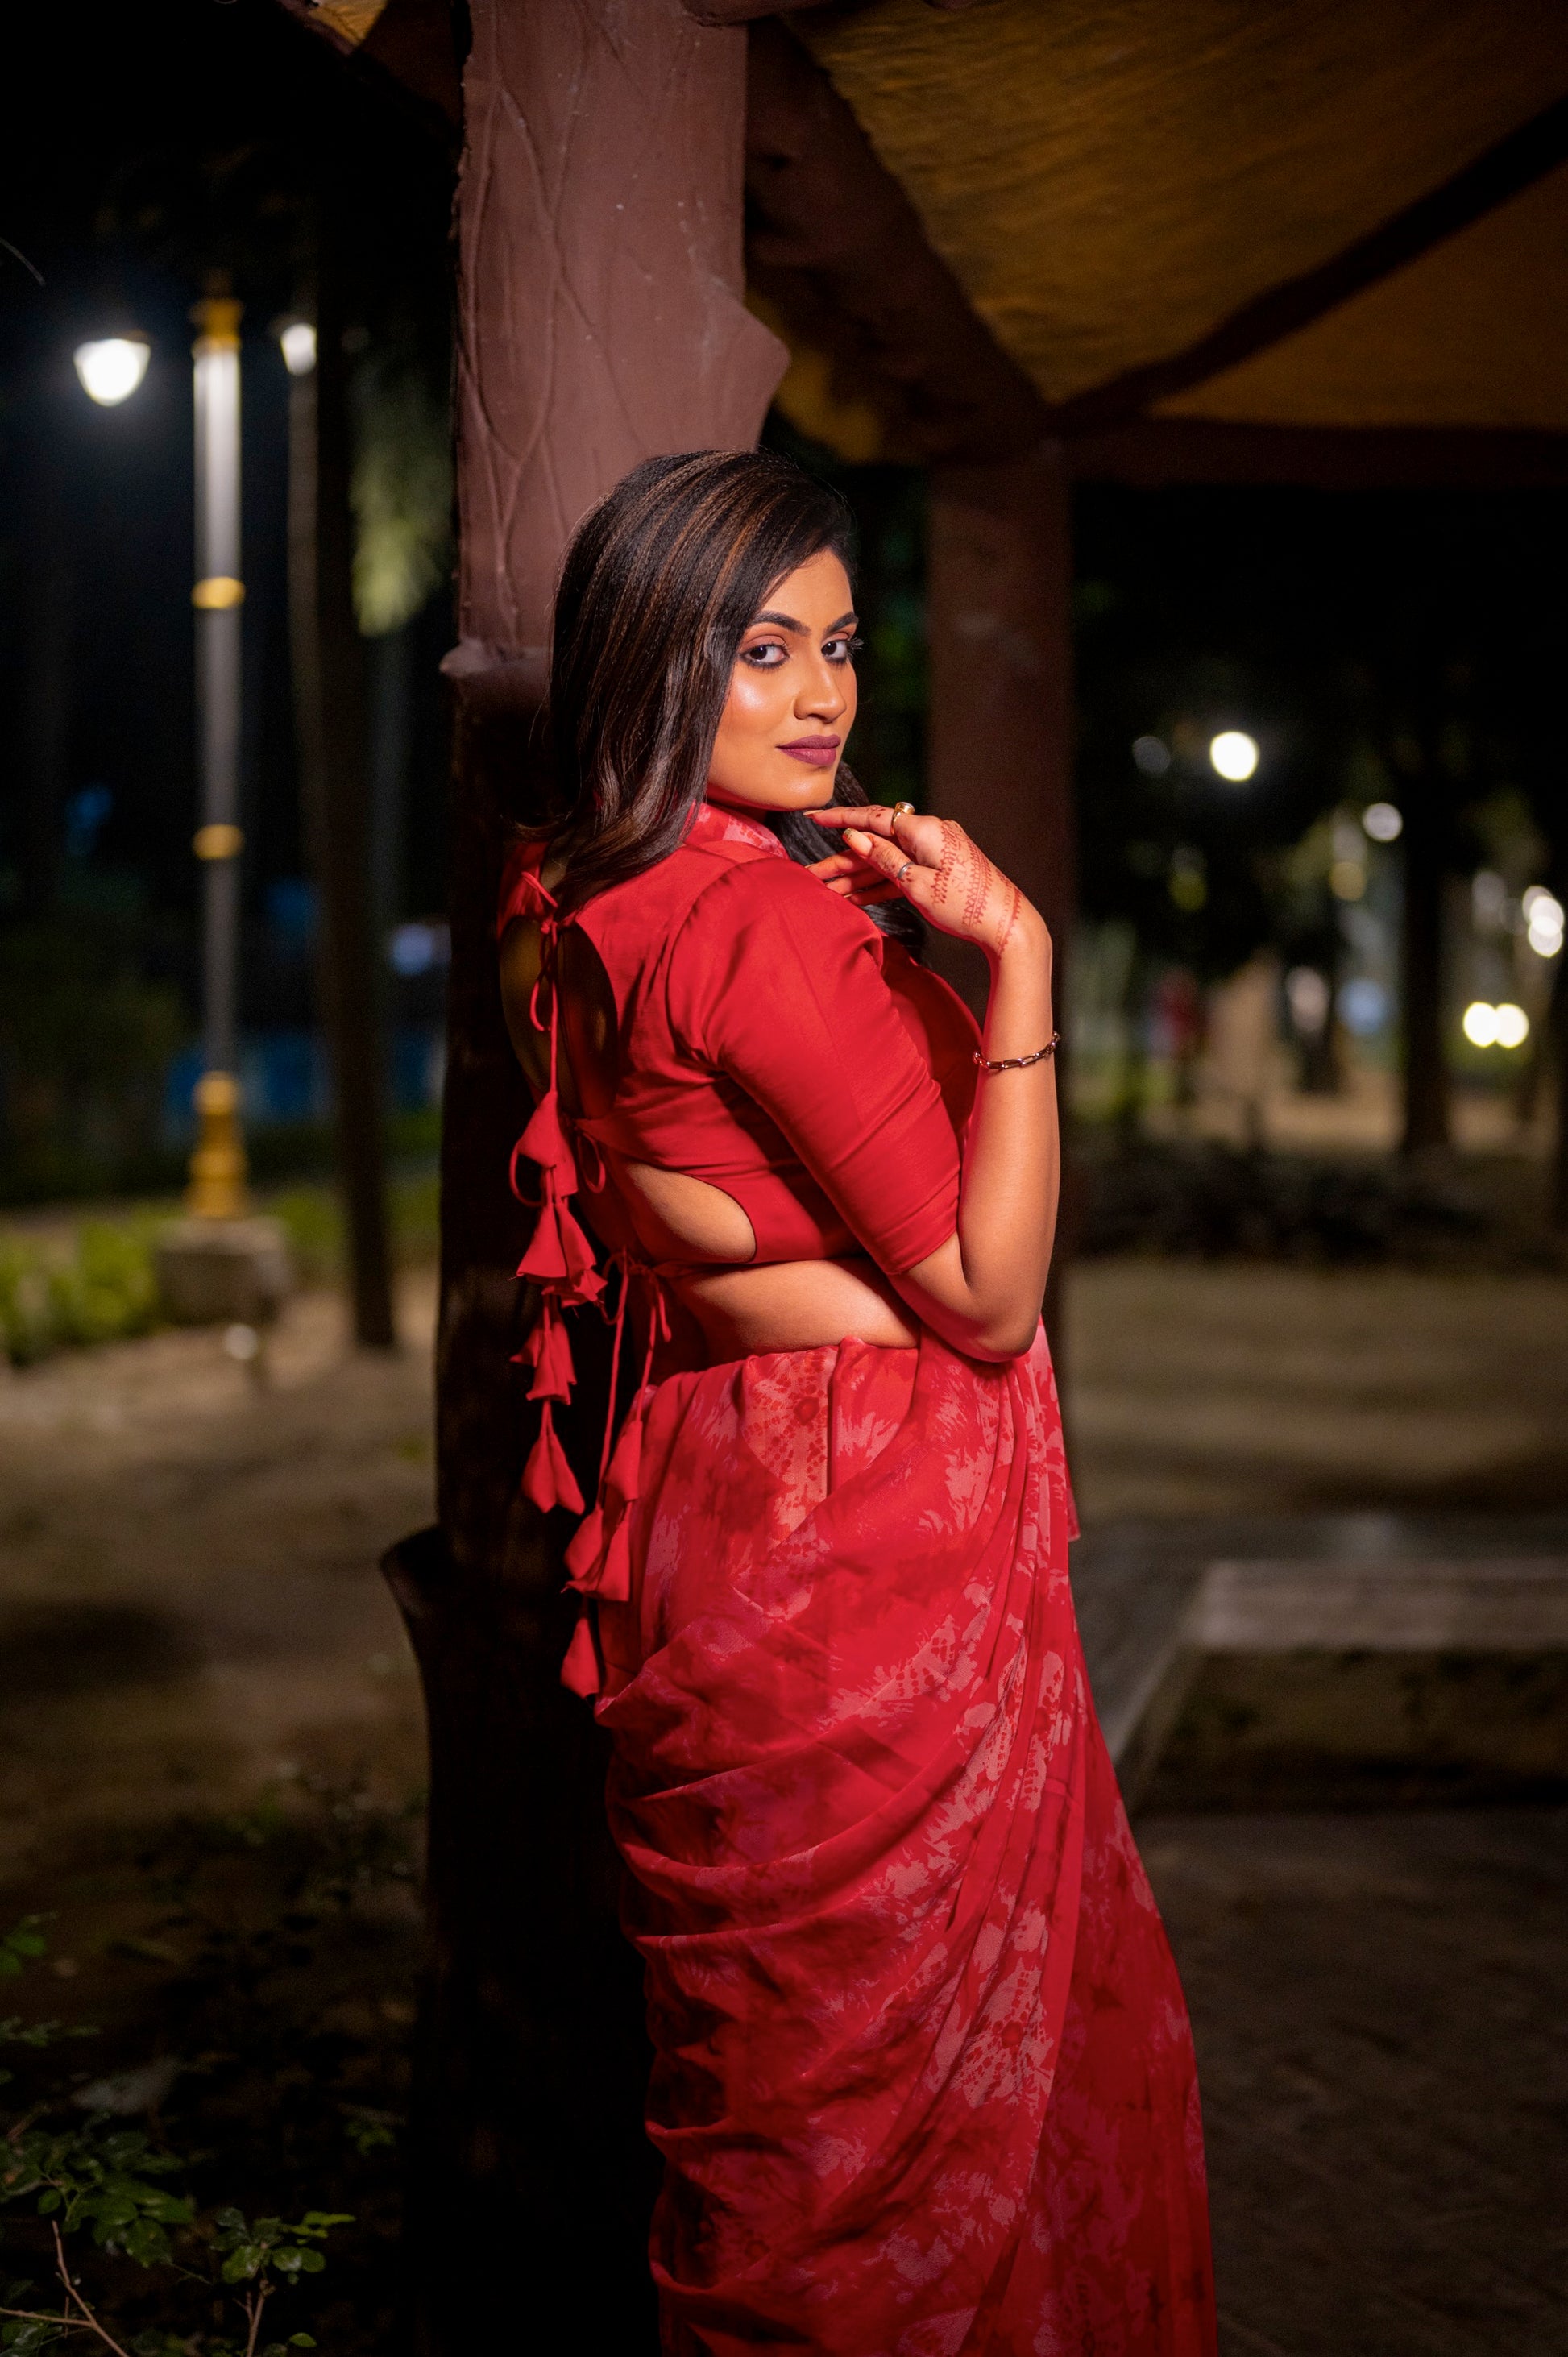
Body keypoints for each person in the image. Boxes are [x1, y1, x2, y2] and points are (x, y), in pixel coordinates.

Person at [498, 450, 1215, 2355]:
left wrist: (764, 1264)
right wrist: (1023, 964)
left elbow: (674, 1222)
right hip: (868, 1534)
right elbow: (982, 1294)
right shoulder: (760, 924)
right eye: (759, 648)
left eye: (835, 645)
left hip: (726, 1508)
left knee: (798, 2111)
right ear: (658, 661)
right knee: (891, 2126)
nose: (821, 694)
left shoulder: (586, 903)